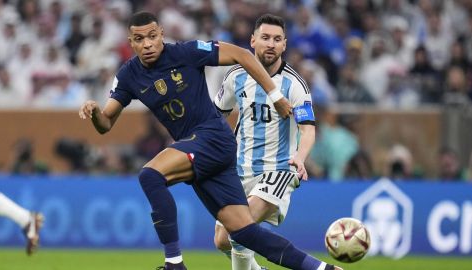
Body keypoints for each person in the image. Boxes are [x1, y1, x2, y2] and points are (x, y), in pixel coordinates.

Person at [78, 11, 342, 270]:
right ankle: (322, 269)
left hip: (213, 138)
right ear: (130, 42)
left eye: (152, 36)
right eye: (139, 39)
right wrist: (95, 112)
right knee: (242, 234)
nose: (147, 44)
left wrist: (274, 96)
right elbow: (106, 123)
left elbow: (241, 54)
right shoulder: (128, 75)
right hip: (213, 152)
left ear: (161, 34)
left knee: (150, 176)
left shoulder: (186, 52)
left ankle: (174, 264)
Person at [213, 14, 317, 270]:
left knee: (241, 229)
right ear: (252, 41)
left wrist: (300, 157)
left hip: (278, 169)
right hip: (238, 170)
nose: (271, 44)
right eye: (265, 38)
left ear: (284, 45)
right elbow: (216, 116)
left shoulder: (294, 85)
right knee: (222, 241)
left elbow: (308, 129)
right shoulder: (235, 77)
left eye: (277, 39)